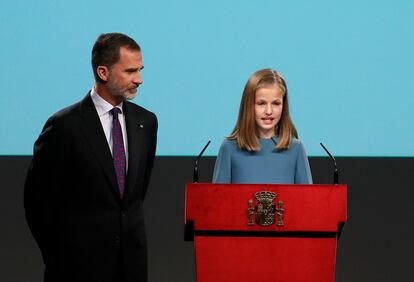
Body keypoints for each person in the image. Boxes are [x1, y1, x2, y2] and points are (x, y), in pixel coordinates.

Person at [24, 33, 157, 282]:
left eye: (140, 70)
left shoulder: (146, 122)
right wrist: (59, 256)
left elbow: (133, 196)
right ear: (103, 72)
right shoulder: (65, 126)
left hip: (131, 266)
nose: (139, 80)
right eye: (130, 71)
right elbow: (37, 202)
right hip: (77, 268)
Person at [213, 68, 312, 184]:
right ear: (248, 105)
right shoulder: (229, 148)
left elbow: (307, 201)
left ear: (283, 106)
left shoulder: (296, 149)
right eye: (261, 103)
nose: (269, 111)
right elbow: (217, 199)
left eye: (276, 103)